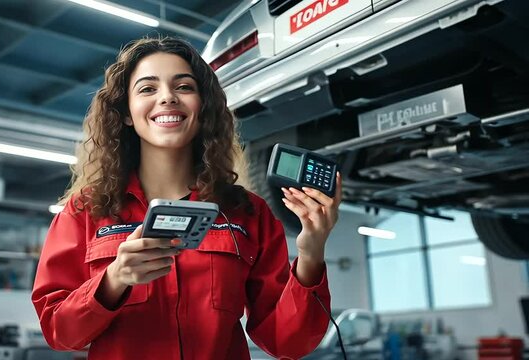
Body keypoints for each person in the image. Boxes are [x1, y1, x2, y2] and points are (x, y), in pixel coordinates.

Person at [31, 36, 342, 360]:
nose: (167, 97)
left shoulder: (248, 213)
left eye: (183, 87)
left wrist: (310, 254)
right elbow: (59, 331)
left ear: (203, 108)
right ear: (125, 113)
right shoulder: (85, 211)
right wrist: (114, 278)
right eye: (148, 88)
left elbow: (287, 342)